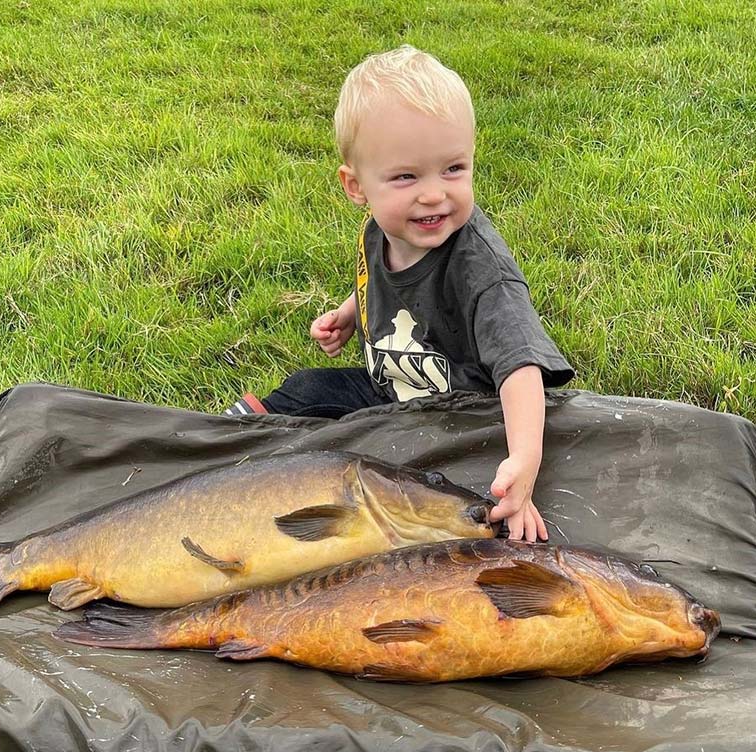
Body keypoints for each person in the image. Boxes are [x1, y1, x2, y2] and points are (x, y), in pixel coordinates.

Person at [225, 45, 573, 542]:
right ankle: (235, 439)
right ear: (356, 185)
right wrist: (349, 313)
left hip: (462, 415)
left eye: (453, 169)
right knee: (309, 388)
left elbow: (520, 366)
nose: (434, 193)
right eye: (406, 176)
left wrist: (523, 458)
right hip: (390, 385)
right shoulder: (381, 229)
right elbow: (381, 282)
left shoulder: (481, 270)